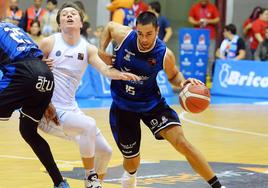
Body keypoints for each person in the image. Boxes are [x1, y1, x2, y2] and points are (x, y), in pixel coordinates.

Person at [99, 11, 225, 188]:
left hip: (152, 104)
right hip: (123, 105)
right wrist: (101, 50)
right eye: (140, 33)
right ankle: (130, 176)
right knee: (132, 161)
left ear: (157, 31)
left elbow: (174, 76)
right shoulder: (124, 35)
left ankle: (218, 186)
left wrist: (183, 82)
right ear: (136, 29)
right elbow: (110, 27)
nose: (144, 39)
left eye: (149, 34)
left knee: (183, 143)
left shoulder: (164, 54)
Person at [37, 2, 140, 188]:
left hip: (71, 110)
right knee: (89, 125)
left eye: (73, 14)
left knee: (106, 152)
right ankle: (90, 176)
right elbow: (26, 66)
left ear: (81, 22)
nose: (69, 16)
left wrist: (120, 74)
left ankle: (92, 185)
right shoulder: (49, 42)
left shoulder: (87, 48)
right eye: (64, 14)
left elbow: (105, 69)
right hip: (49, 112)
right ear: (59, 23)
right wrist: (40, 65)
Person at [0, 1, 69, 188]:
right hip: (45, 75)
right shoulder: (12, 27)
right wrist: (46, 100)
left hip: (22, 73)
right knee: (28, 131)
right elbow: (39, 61)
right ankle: (60, 182)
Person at [188, 0, 220, 79]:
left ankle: (209, 76)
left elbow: (217, 19)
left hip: (210, 36)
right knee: (197, 55)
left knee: (210, 56)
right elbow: (190, 19)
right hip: (197, 37)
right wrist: (197, 22)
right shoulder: (195, 7)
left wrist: (208, 21)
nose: (203, 2)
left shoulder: (212, 7)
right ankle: (197, 75)